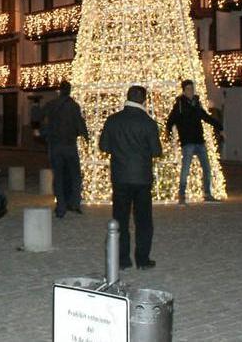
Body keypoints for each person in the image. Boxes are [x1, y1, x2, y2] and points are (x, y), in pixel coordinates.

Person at [99, 85, 162, 270]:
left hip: (120, 177)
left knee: (120, 219)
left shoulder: (113, 120)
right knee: (143, 220)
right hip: (142, 178)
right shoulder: (149, 123)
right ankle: (142, 260)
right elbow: (157, 151)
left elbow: (104, 146)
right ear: (144, 100)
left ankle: (122, 259)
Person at [32, 81, 88, 218]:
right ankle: (74, 203)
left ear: (59, 90)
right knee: (75, 175)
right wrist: (86, 136)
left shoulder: (51, 104)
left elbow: (36, 117)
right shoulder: (74, 106)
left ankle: (61, 207)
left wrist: (35, 107)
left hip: (55, 146)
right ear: (69, 91)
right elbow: (79, 123)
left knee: (58, 176)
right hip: (69, 145)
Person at [165, 80, 223, 204]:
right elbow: (171, 120)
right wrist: (168, 133)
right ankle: (182, 196)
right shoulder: (179, 105)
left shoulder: (196, 103)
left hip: (199, 141)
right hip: (188, 142)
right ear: (184, 90)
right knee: (185, 170)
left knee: (207, 168)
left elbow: (206, 117)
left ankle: (207, 194)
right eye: (188, 89)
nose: (190, 91)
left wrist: (220, 127)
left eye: (192, 88)